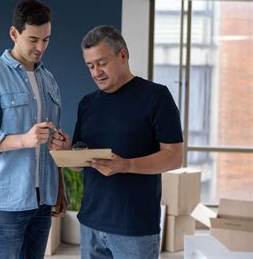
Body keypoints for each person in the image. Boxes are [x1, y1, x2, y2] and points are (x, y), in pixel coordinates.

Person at [51, 25, 183, 259]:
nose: (96, 72)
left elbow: (174, 157)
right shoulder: (88, 104)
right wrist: (67, 151)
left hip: (134, 227)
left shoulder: (156, 97)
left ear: (123, 55)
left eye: (102, 63)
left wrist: (126, 165)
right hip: (91, 222)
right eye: (90, 66)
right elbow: (80, 164)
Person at [0, 0, 67, 259]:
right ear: (14, 33)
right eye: (33, 39)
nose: (40, 47)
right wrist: (24, 139)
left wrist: (59, 189)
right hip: (5, 201)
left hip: (43, 199)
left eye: (46, 39)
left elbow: (51, 143)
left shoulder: (49, 79)